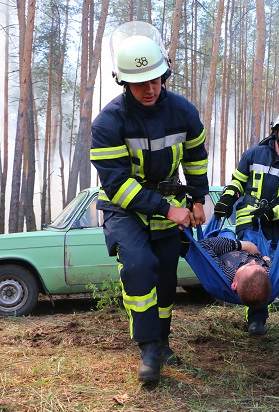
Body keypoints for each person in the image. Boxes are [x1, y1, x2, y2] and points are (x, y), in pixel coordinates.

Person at [90, 21, 209, 384]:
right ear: (123, 81)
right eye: (141, 83)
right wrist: (168, 209)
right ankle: (148, 348)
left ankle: (163, 340)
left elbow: (196, 157)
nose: (150, 89)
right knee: (140, 266)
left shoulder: (183, 111)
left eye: (156, 79)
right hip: (125, 208)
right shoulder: (108, 123)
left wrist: (200, 198)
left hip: (170, 204)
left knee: (166, 276)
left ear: (165, 73)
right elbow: (117, 185)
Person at [213, 110, 279, 336]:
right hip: (249, 224)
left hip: (277, 227)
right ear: (276, 131)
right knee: (253, 268)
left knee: (269, 270)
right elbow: (237, 182)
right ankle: (256, 319)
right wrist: (226, 199)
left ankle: (258, 318)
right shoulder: (254, 154)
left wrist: (275, 212)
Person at [198, 237, 272, 307]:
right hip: (255, 246)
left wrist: (242, 245)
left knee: (226, 231)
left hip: (226, 246)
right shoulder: (267, 274)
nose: (253, 261)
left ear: (234, 285)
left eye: (248, 266)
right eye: (257, 265)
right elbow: (272, 268)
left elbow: (203, 245)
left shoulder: (225, 273)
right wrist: (267, 260)